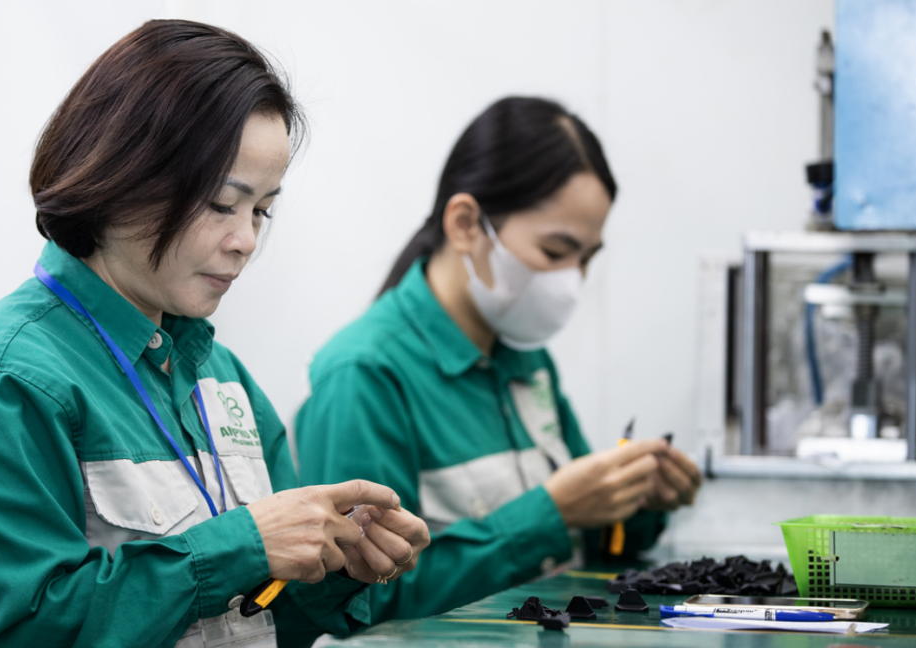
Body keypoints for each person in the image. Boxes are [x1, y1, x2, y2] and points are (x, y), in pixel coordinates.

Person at [0, 20, 429, 648]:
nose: (245, 240)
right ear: (120, 176)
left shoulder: (224, 379)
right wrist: (243, 547)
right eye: (221, 204)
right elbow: (17, 636)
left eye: (262, 210)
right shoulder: (3, 381)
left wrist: (332, 569)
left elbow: (259, 623)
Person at [294, 97, 702, 623]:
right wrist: (547, 516)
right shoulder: (365, 376)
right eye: (556, 252)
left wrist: (638, 502)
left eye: (586, 258)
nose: (572, 281)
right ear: (466, 224)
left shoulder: (527, 359)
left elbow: (588, 543)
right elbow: (362, 604)